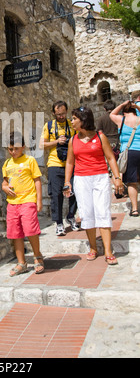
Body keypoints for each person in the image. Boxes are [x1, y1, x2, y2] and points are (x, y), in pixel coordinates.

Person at [64, 106, 124, 266]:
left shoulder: (100, 136)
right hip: (81, 180)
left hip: (100, 178)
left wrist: (117, 177)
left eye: (75, 118)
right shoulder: (73, 140)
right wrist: (67, 182)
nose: (72, 121)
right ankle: (93, 248)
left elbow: (111, 158)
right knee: (86, 213)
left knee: (102, 211)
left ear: (83, 120)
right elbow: (70, 161)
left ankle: (108, 251)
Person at [2, 131, 44, 276]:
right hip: (12, 204)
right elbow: (5, 181)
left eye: (16, 149)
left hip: (28, 200)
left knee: (30, 229)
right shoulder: (7, 163)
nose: (13, 152)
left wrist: (39, 200)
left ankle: (37, 257)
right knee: (15, 233)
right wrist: (4, 187)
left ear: (24, 147)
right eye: (10, 149)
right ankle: (21, 263)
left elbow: (37, 180)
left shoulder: (30, 161)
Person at [40, 100, 78, 236]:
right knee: (56, 195)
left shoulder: (72, 125)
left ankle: (71, 216)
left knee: (75, 191)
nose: (61, 117)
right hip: (54, 164)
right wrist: (57, 141)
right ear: (53, 113)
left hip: (72, 163)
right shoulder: (49, 125)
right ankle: (59, 223)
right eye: (58, 114)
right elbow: (41, 145)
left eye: (63, 114)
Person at [110, 100, 140, 217]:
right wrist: (137, 106)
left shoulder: (122, 120)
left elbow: (111, 114)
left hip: (130, 153)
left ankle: (135, 209)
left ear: (124, 111)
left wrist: (122, 104)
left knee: (132, 182)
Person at [96, 100, 120, 190]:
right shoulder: (118, 117)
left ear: (104, 108)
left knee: (109, 167)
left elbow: (100, 132)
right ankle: (119, 185)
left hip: (107, 144)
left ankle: (113, 187)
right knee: (118, 165)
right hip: (118, 142)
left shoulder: (101, 119)